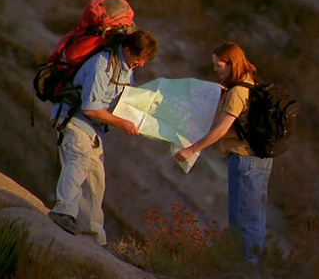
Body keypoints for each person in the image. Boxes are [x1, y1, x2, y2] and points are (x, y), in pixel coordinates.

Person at [48, 30, 159, 246]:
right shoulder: (102, 65)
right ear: (126, 49)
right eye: (139, 59)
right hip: (75, 120)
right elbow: (91, 108)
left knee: (96, 181)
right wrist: (123, 123)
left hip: (94, 129)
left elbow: (120, 101)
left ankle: (94, 237)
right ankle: (63, 211)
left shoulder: (126, 68)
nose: (141, 64)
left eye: (144, 60)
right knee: (77, 162)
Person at [174, 41, 273, 264]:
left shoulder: (238, 91)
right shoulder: (251, 82)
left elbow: (221, 129)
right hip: (259, 158)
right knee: (254, 216)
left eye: (219, 65)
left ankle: (248, 271)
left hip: (244, 159)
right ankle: (250, 267)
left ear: (231, 64)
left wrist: (192, 149)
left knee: (243, 219)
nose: (216, 69)